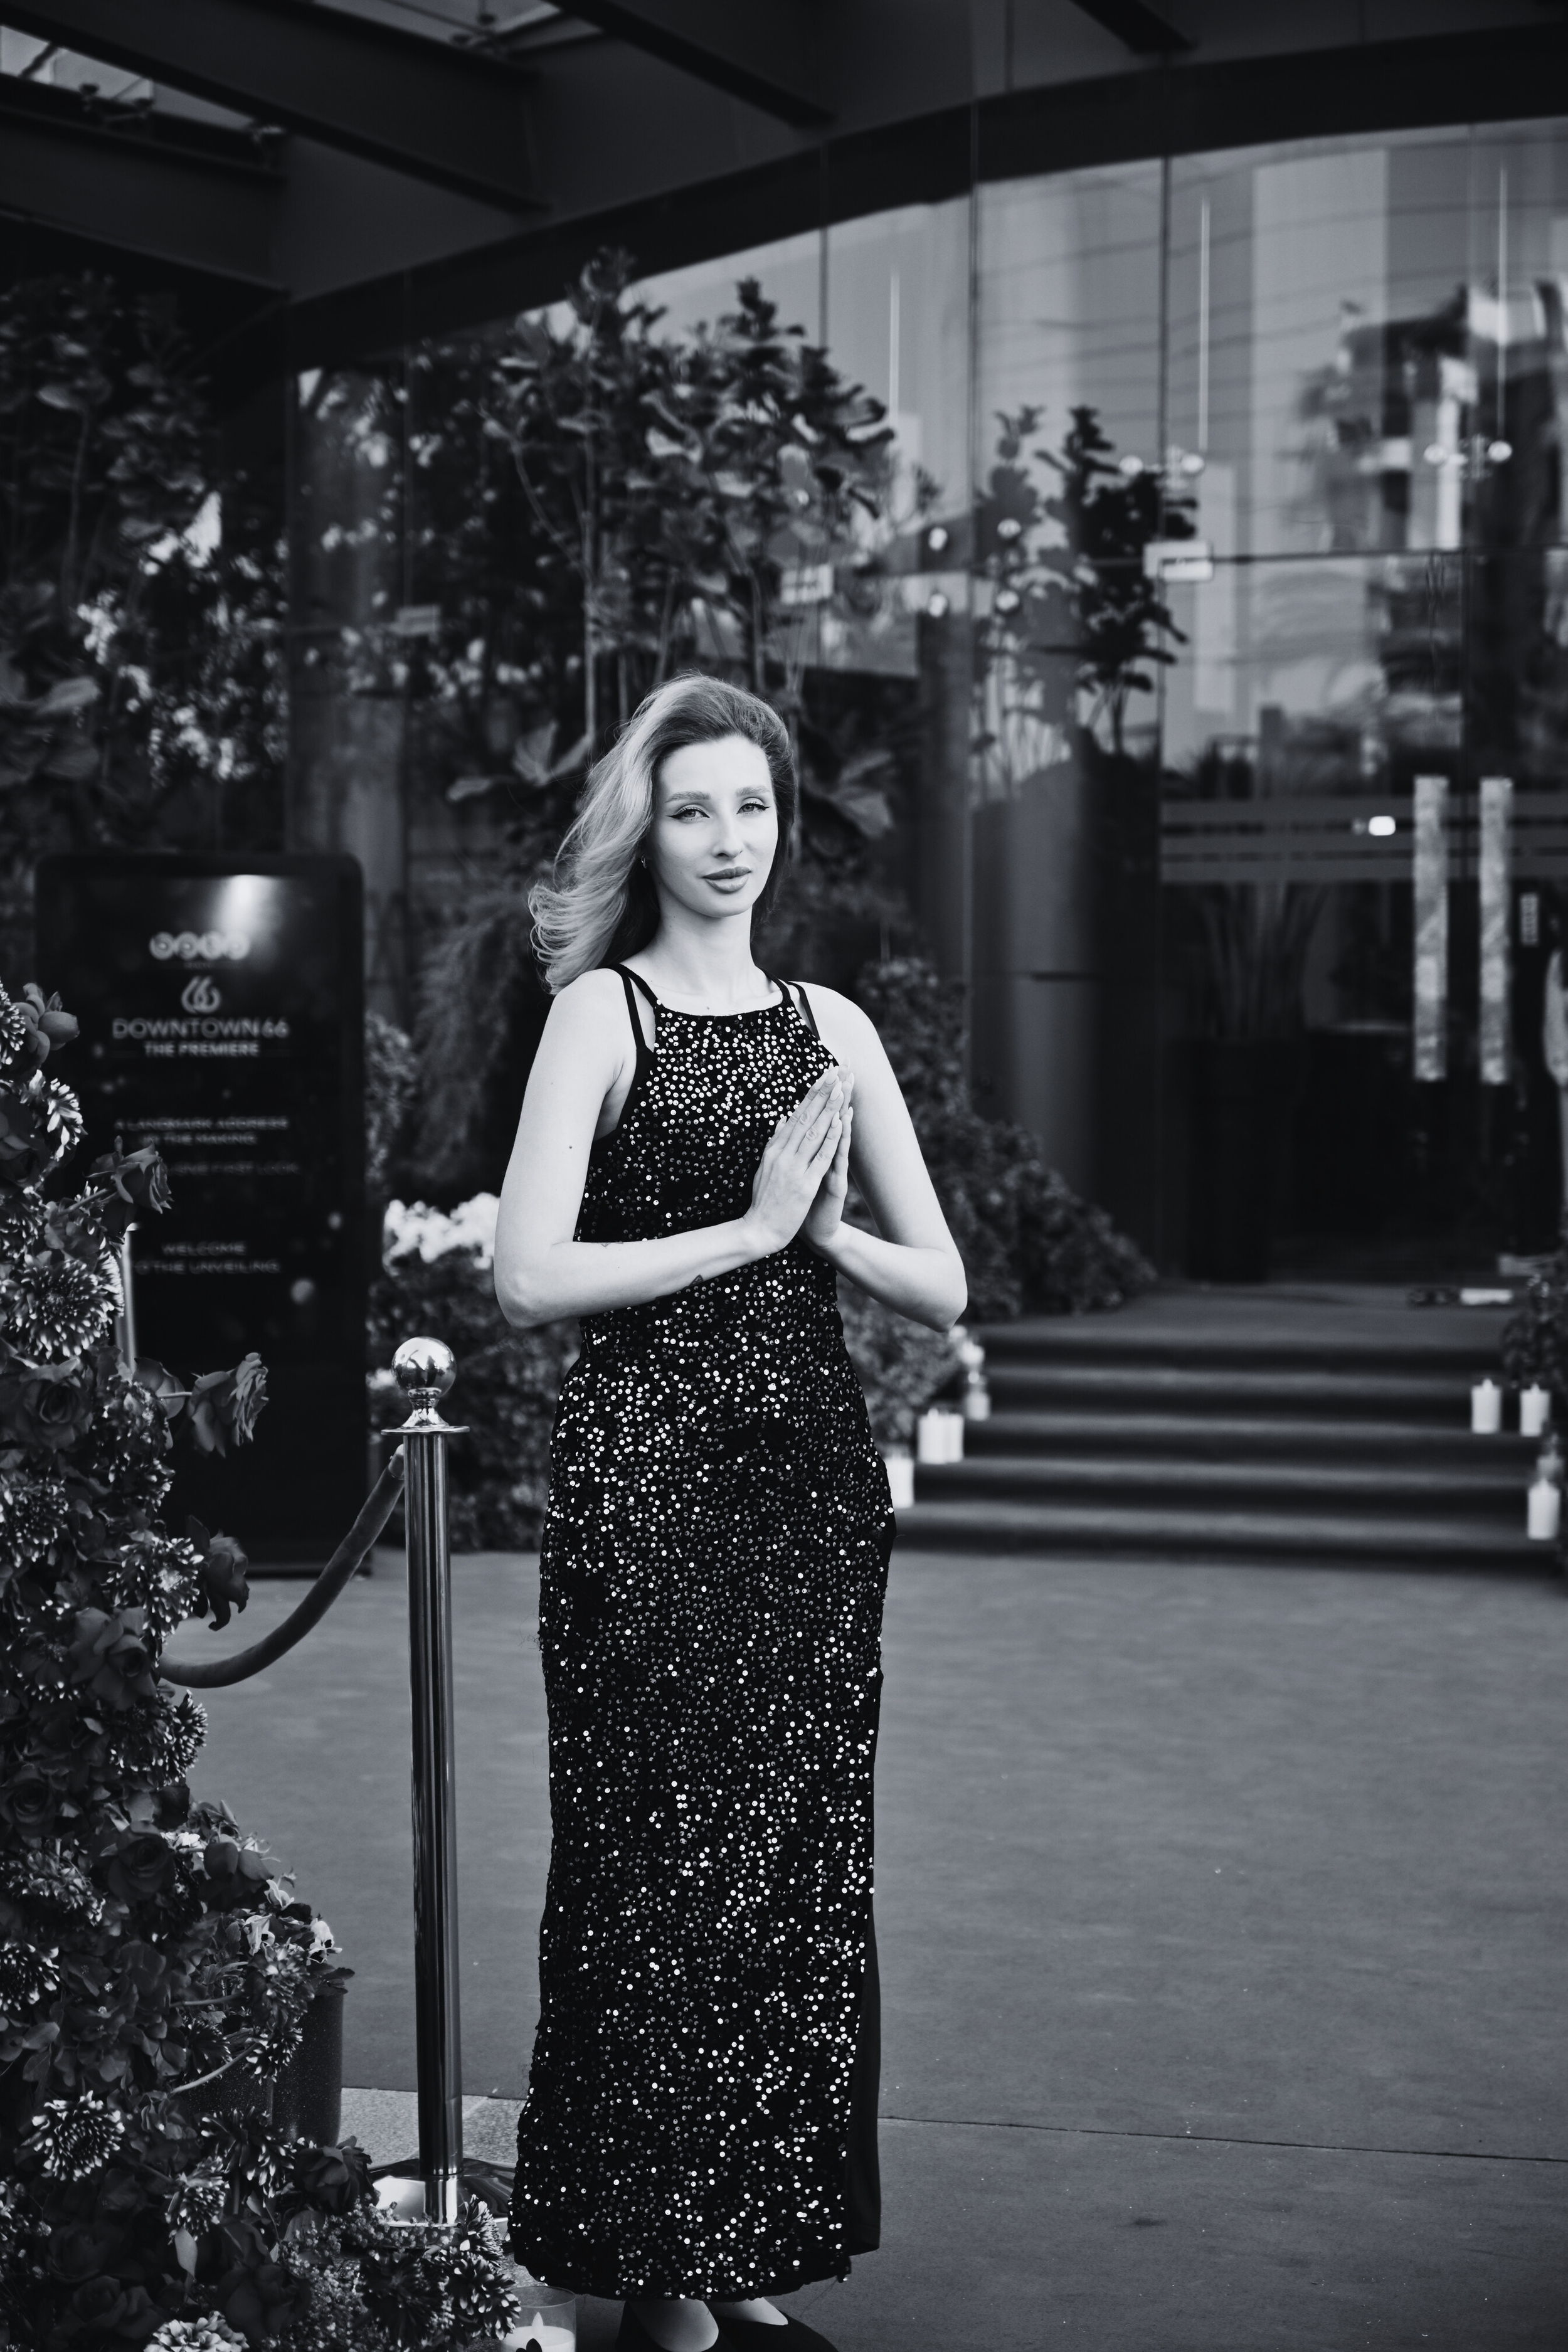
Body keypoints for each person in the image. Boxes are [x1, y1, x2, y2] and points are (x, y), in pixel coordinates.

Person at [494, 675, 966, 2352]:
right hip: (647, 1487)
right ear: (650, 825)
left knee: (785, 1875)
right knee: (649, 1874)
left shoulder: (830, 1027)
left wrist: (820, 1231)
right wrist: (748, 1227)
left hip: (805, 1498)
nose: (723, 840)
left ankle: (742, 2234)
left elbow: (945, 1278)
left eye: (748, 808)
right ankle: (652, 2263)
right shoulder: (598, 1017)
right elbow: (529, 1270)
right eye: (690, 808)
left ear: (783, 823)